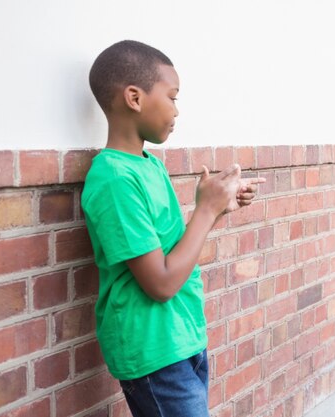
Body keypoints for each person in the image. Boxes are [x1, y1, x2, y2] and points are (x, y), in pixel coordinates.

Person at [82, 40, 264, 417]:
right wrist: (204, 211)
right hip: (154, 351)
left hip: (182, 337)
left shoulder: (149, 165)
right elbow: (161, 283)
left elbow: (172, 255)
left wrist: (215, 211)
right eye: (172, 97)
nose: (177, 110)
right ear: (134, 98)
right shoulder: (113, 179)